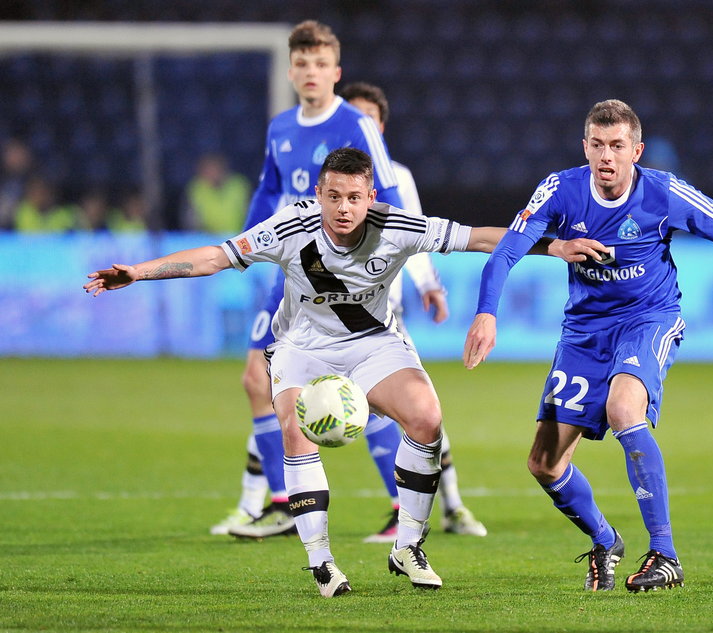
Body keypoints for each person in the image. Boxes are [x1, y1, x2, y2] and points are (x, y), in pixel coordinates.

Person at [84, 147, 556, 597]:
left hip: (373, 344)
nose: (343, 208)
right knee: (295, 429)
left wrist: (555, 247)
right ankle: (320, 559)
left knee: (427, 417)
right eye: (333, 197)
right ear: (318, 194)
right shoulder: (291, 227)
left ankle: (408, 545)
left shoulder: (397, 225)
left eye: (354, 197)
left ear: (371, 197)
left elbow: (481, 237)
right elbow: (217, 257)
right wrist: (139, 272)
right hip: (302, 347)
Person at [462, 99, 713, 593]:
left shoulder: (664, 192)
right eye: (597, 145)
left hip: (649, 319)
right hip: (584, 332)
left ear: (637, 151)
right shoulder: (560, 189)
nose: (606, 157)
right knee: (544, 464)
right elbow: (507, 250)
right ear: (584, 147)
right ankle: (606, 540)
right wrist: (487, 311)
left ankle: (665, 554)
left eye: (617, 146)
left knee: (622, 406)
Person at [207, 20, 407, 540]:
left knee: (371, 390)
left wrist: (374, 264)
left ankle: (403, 504)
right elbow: (266, 192)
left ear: (336, 72)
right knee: (257, 380)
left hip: (341, 279)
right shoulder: (280, 128)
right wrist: (246, 248)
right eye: (302, 64)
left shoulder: (355, 126)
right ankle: (282, 503)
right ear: (291, 71)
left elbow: (391, 199)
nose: (311, 73)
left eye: (321, 64)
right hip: (289, 273)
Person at [340, 81, 487, 541]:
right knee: (398, 415)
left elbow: (416, 233)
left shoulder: (394, 177)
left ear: (380, 126)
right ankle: (446, 507)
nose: (357, 130)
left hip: (383, 317)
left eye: (366, 120)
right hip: (332, 318)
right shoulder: (330, 179)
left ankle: (423, 512)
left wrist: (428, 284)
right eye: (351, 120)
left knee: (403, 414)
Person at [182, 152, 251, 234]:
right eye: (208, 170)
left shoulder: (239, 184)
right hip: (207, 239)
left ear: (223, 169)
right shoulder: (195, 188)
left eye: (215, 169)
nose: (212, 173)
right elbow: (190, 221)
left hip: (238, 236)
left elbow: (251, 213)